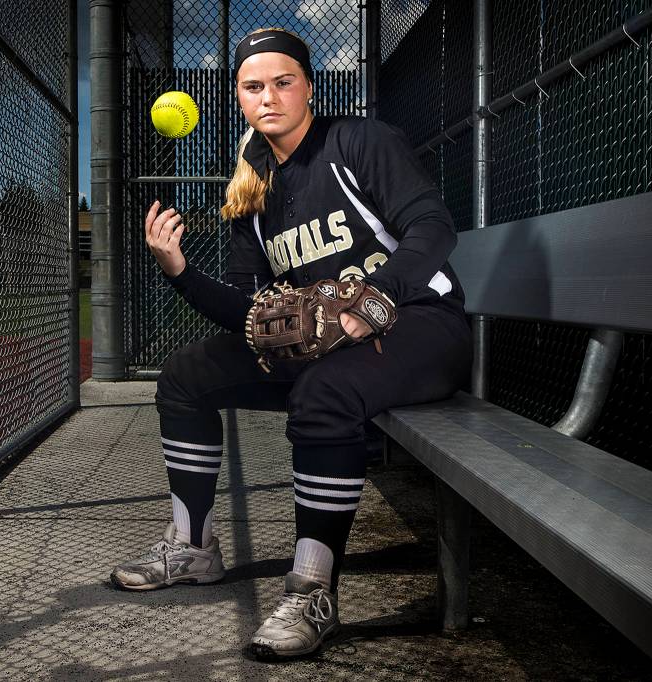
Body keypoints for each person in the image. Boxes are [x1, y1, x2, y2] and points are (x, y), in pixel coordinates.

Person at [110, 27, 471, 660]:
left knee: (322, 392)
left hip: (419, 324)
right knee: (186, 375)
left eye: (284, 82)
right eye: (254, 86)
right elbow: (251, 314)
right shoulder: (252, 195)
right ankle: (193, 547)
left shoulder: (357, 142)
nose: (269, 96)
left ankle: (312, 590)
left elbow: (433, 229)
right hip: (333, 343)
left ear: (308, 86)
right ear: (239, 100)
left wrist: (374, 298)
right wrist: (178, 271)